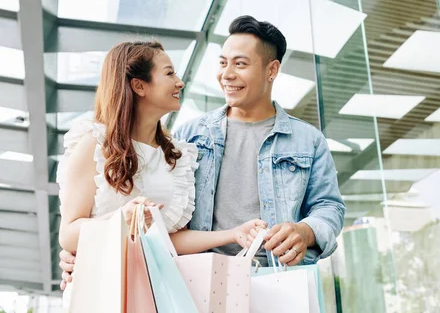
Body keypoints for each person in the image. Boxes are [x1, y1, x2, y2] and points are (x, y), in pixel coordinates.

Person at [57, 41, 264, 299]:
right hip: (101, 290)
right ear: (139, 86)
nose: (180, 82)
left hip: (154, 294)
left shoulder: (177, 157)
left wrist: (233, 234)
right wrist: (123, 219)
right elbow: (68, 235)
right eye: (169, 73)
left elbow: (168, 241)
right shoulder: (94, 144)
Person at [173, 15, 346, 268]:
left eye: (240, 64)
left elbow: (329, 206)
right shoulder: (189, 135)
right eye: (223, 63)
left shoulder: (308, 140)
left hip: (279, 275)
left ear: (271, 70)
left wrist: (305, 231)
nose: (226, 75)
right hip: (203, 275)